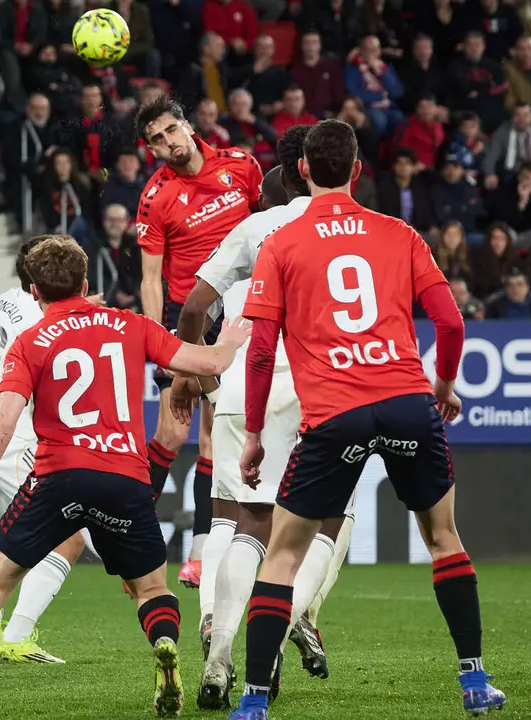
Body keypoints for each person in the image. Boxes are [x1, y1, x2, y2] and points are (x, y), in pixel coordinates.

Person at [228, 119, 504, 719]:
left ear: (301, 170)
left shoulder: (281, 243)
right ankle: (474, 681)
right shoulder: (399, 233)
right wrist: (445, 386)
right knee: (443, 538)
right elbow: (451, 323)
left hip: (335, 415)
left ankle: (252, 702)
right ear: (357, 170)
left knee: (282, 555)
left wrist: (252, 434)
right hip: (408, 403)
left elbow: (259, 350)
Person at [0, 235, 252, 720]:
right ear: (86, 281)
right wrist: (230, 339)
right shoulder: (130, 324)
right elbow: (210, 364)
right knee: (152, 589)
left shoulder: (29, 341)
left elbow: (3, 424)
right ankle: (163, 644)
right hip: (123, 476)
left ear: (34, 291)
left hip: (59, 479)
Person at [174, 131, 354, 710]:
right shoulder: (356, 229)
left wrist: (198, 374)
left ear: (288, 172)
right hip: (317, 384)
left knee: (239, 522)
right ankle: (273, 642)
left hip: (240, 380)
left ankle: (219, 652)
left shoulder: (256, 229)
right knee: (325, 523)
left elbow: (193, 308)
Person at [133, 95, 265, 588]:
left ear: (188, 125)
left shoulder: (242, 166)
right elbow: (151, 278)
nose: (168, 143)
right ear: (152, 150)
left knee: (213, 437)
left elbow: (267, 234)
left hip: (240, 315)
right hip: (188, 321)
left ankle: (199, 555)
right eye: (157, 140)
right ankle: (132, 541)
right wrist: (161, 347)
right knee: (170, 434)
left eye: (171, 130)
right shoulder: (155, 196)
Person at [0, 238, 91, 665]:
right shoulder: (42, 324)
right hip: (4, 440)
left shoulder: (6, 302)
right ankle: (16, 635)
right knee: (69, 539)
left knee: (10, 540)